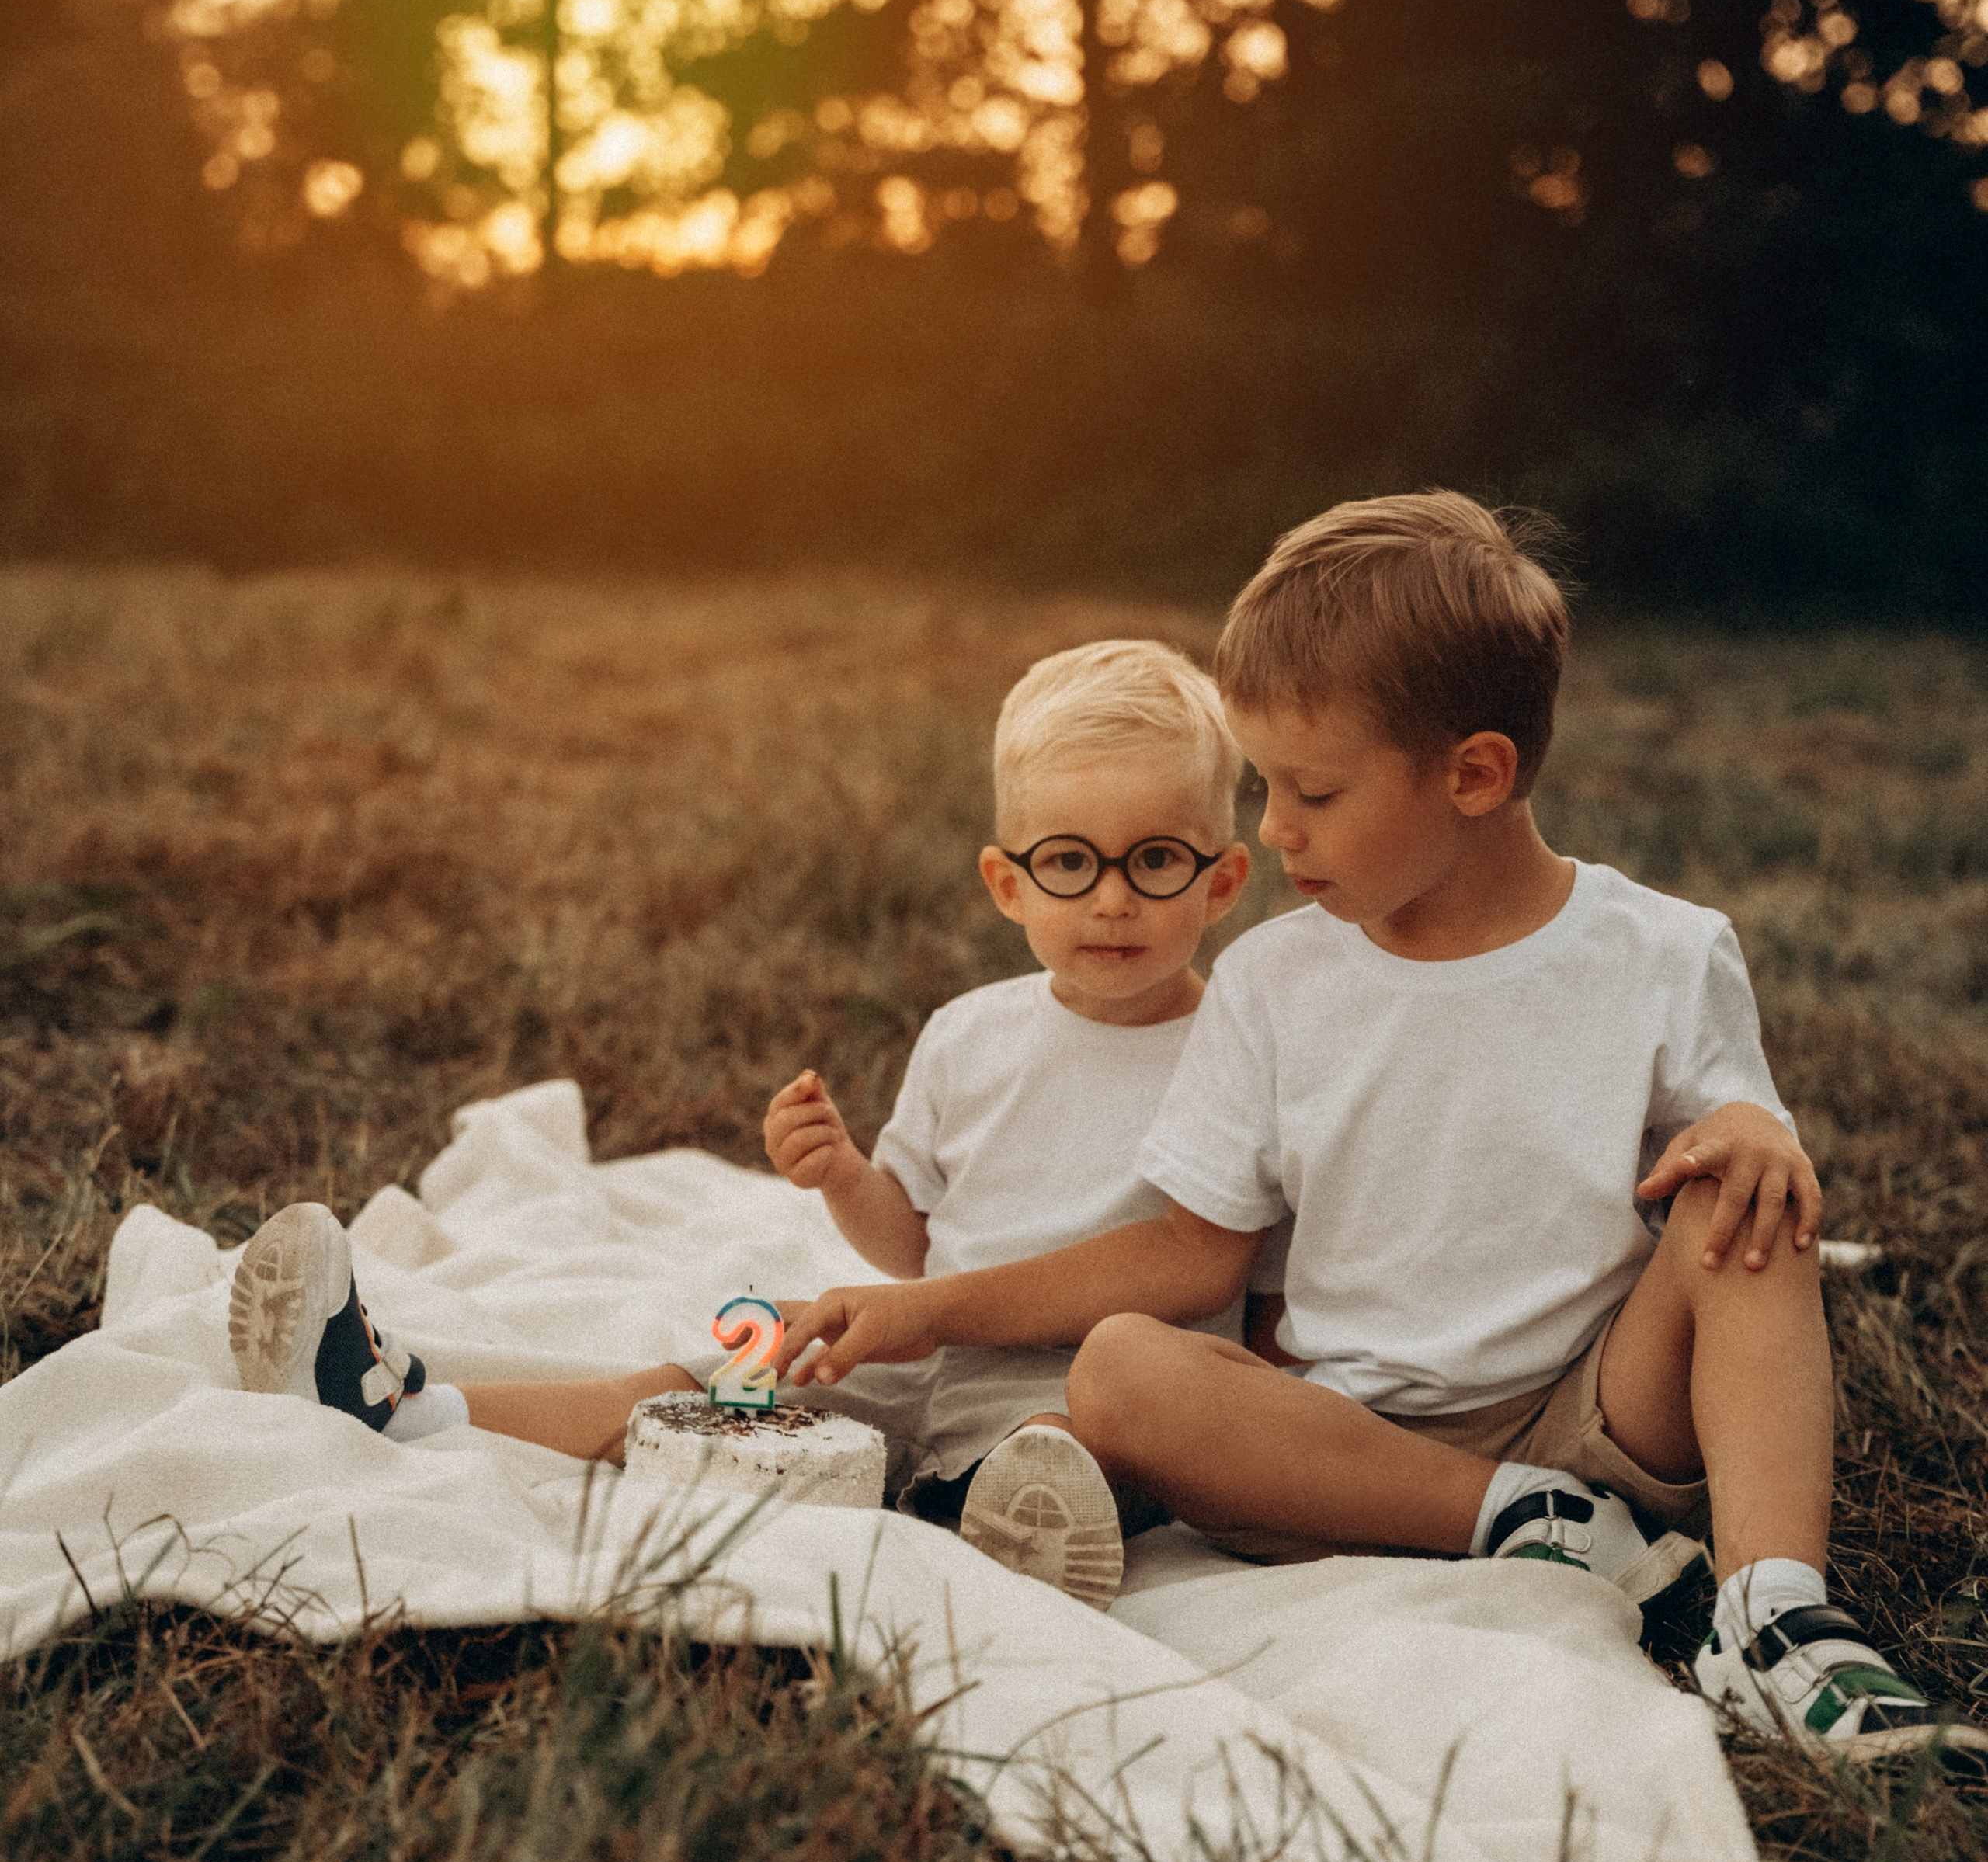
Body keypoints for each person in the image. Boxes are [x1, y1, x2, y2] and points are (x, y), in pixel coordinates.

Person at [777, 495, 1983, 1762]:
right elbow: (1196, 1256)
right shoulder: (1275, 982)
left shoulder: (1662, 953)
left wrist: (1753, 1136)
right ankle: (1512, 1518)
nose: (1272, 829)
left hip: (1602, 1408)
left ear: (1473, 774)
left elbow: (1739, 1128)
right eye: (1263, 787)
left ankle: (1776, 1614)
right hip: (1343, 1439)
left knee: (1744, 1205)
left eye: (1310, 790)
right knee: (1123, 1367)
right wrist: (928, 1305)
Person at [228, 639, 1258, 1611]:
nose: (1114, 900)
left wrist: (937, 1311)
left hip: (1080, 1381)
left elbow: (1192, 1264)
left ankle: (1010, 1533)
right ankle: (399, 1402)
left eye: (1156, 859)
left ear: (1221, 881)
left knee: (1056, 1447)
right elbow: (912, 1242)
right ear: (1007, 883)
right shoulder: (968, 1036)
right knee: (700, 1387)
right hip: (916, 1355)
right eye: (1071, 862)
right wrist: (845, 1175)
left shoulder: (1237, 1051)